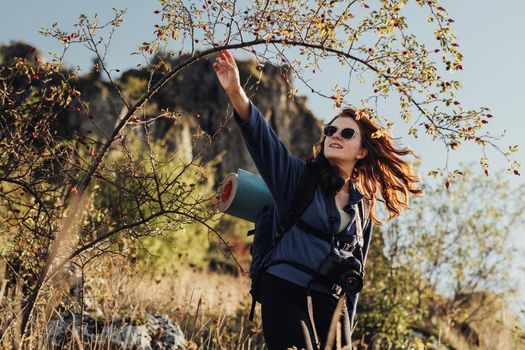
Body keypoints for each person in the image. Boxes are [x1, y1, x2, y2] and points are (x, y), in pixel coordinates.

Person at [213, 49, 422, 349]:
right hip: (284, 290)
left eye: (347, 133)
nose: (335, 135)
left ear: (362, 150)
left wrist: (345, 329)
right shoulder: (298, 178)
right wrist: (235, 91)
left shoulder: (362, 207)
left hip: (331, 303)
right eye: (330, 130)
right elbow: (262, 139)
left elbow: (355, 277)